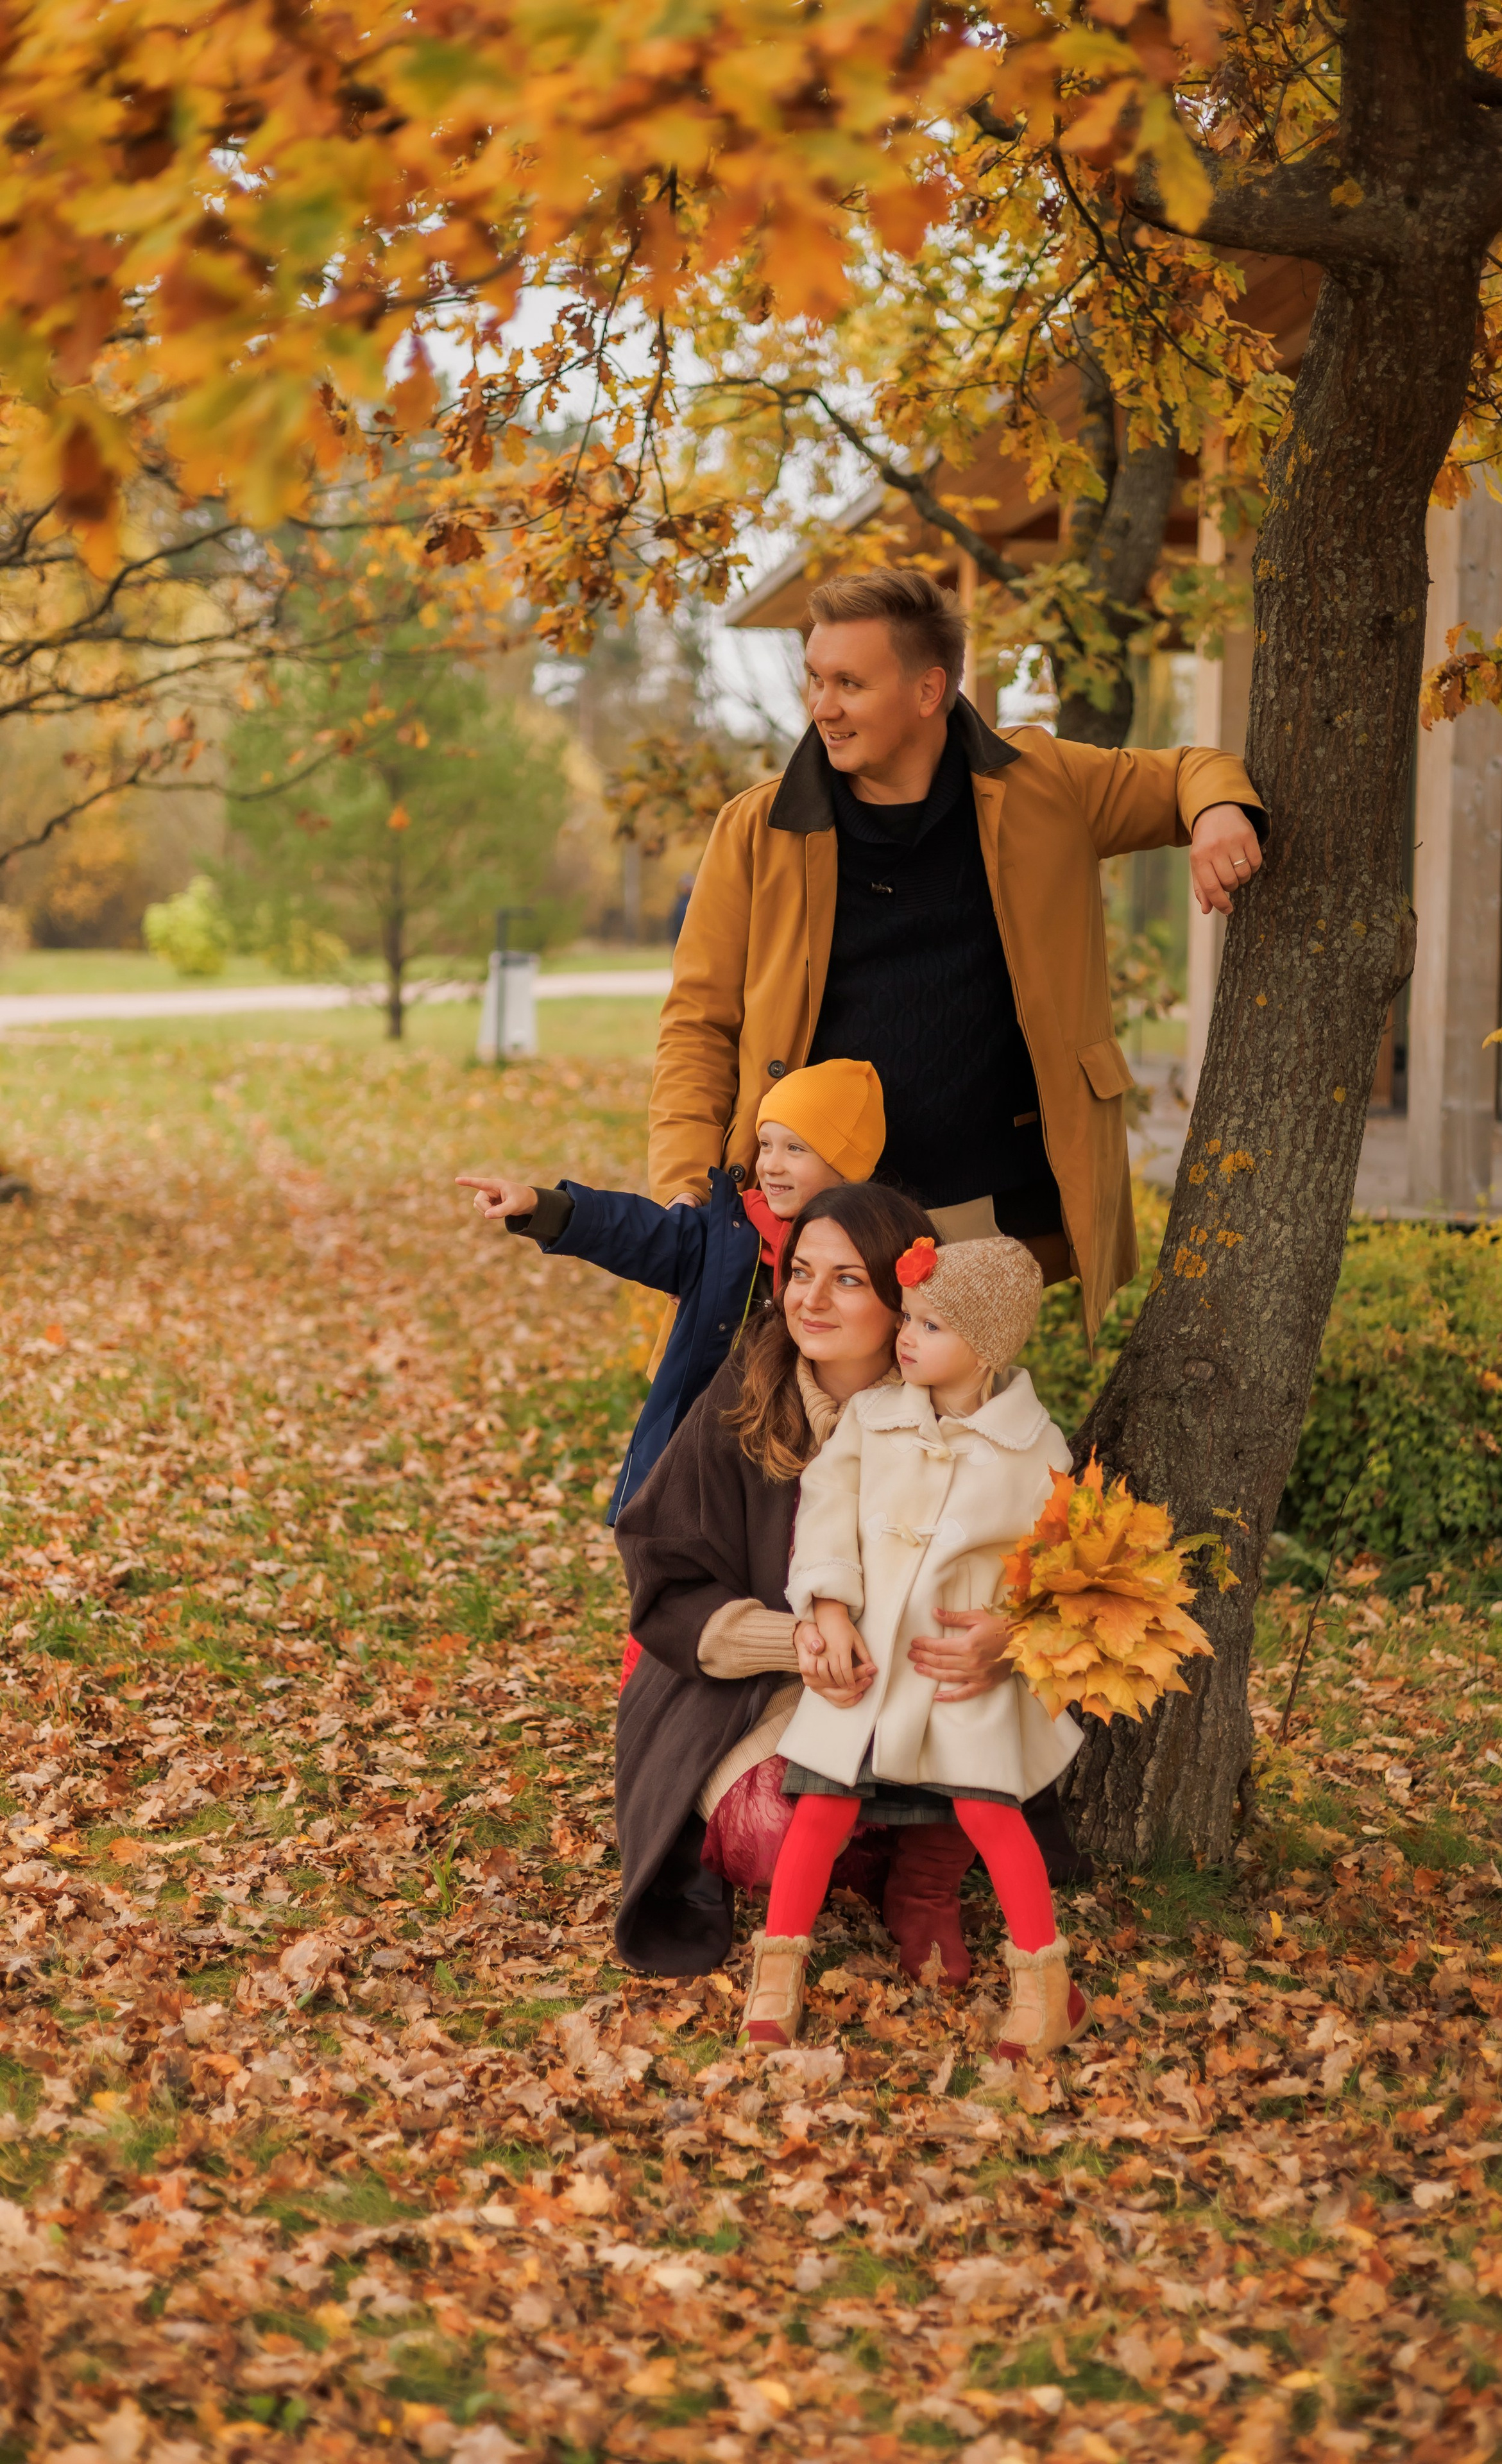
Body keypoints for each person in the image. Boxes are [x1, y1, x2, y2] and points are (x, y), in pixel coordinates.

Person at [649, 565, 1265, 1331]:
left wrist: (1218, 814)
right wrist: (683, 1184)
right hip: (815, 1220)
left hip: (987, 1216)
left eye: (849, 683)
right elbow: (698, 1025)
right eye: (814, 679)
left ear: (928, 691)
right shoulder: (755, 830)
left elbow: (1188, 772)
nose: (822, 707)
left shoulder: (1043, 785)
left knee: (956, 1440)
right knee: (801, 1440)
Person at [611, 1184, 1073, 1978]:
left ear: (906, 1300)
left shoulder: (978, 1420)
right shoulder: (746, 1393)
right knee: (781, 1828)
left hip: (924, 1678)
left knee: (966, 1745)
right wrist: (798, 1638)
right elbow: (665, 1571)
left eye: (848, 1279)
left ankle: (922, 1887)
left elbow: (1054, 1560)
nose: (810, 1300)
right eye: (799, 1272)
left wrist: (1013, 1636)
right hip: (747, 1684)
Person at [738, 1233, 1091, 2062]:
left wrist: (1014, 1630)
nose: (908, 1337)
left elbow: (1062, 1561)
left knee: (988, 1811)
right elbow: (826, 1508)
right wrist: (828, 1603)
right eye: (912, 1317)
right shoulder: (873, 1417)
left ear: (989, 1345)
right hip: (867, 1655)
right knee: (821, 1805)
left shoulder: (1035, 1446)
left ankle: (1048, 1991)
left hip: (958, 1664)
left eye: (932, 1326)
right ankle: (776, 1972)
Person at [456, 1056, 885, 1525]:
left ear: (844, 1166)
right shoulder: (726, 1234)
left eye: (795, 1149)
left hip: (815, 1457)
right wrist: (546, 1207)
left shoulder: (874, 1252)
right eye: (765, 1144)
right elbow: (637, 1231)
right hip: (710, 1451)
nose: (771, 1165)